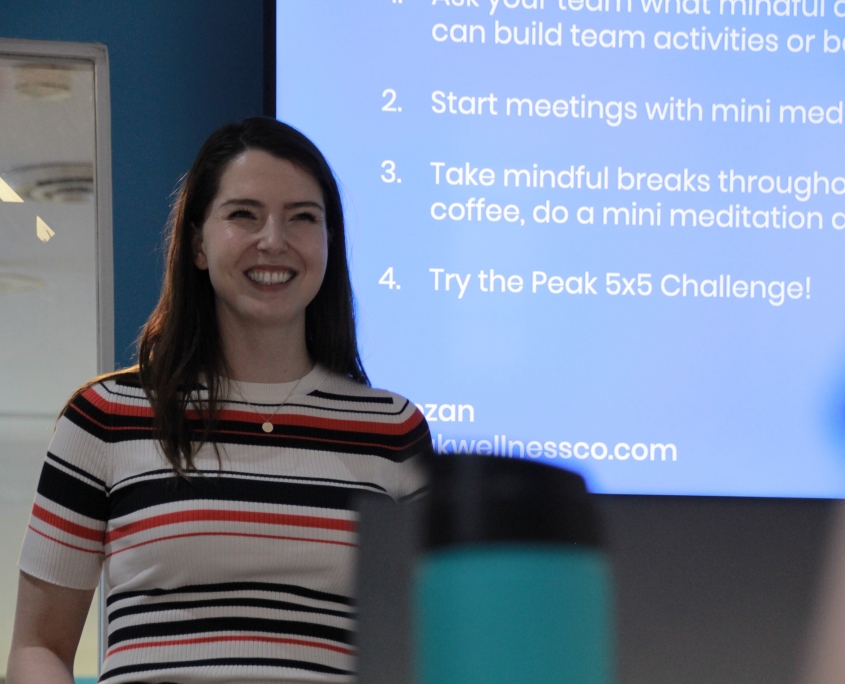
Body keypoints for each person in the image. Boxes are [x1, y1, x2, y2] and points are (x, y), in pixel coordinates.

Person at [7, 118, 431, 684]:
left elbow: (431, 646)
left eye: (303, 217)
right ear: (198, 244)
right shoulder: (104, 417)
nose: (274, 240)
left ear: (330, 241)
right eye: (244, 215)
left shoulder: (393, 431)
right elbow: (38, 646)